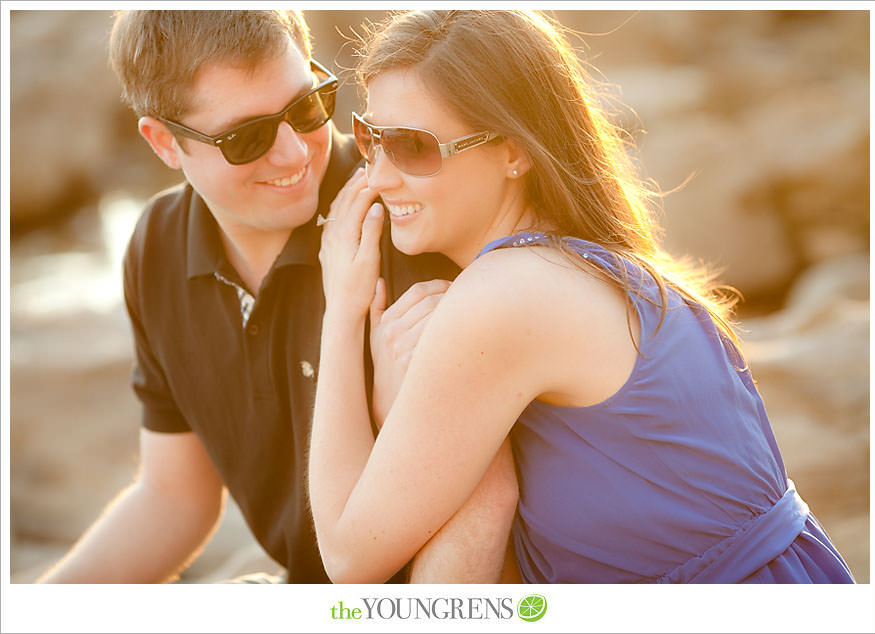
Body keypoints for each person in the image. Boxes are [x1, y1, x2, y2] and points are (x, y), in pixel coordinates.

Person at [309, 9, 856, 584]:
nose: (376, 177)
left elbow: (349, 557)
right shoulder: (593, 267)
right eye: (370, 139)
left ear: (515, 150)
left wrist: (341, 312)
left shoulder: (508, 293)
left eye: (412, 147)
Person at [36, 9, 518, 584]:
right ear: (164, 141)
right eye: (247, 137)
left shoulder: (411, 222)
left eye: (307, 107)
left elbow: (481, 508)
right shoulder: (157, 245)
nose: (293, 155)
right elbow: (174, 499)